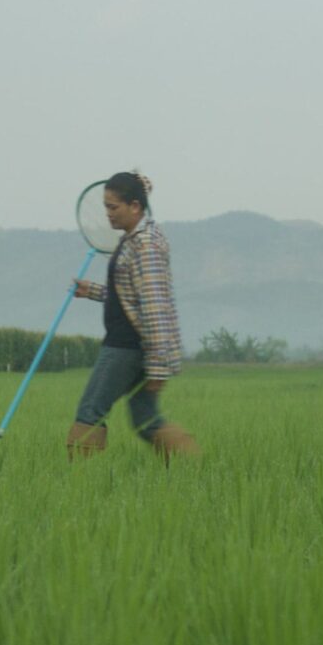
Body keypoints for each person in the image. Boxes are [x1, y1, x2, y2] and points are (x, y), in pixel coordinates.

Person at [69, 172, 199, 461]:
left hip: (125, 346)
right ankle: (192, 468)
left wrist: (157, 367)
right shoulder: (134, 240)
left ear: (135, 207)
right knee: (145, 419)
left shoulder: (146, 245)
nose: (108, 215)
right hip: (135, 344)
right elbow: (129, 296)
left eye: (113, 207)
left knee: (90, 412)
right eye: (106, 207)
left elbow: (155, 306)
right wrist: (92, 291)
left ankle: (76, 482)